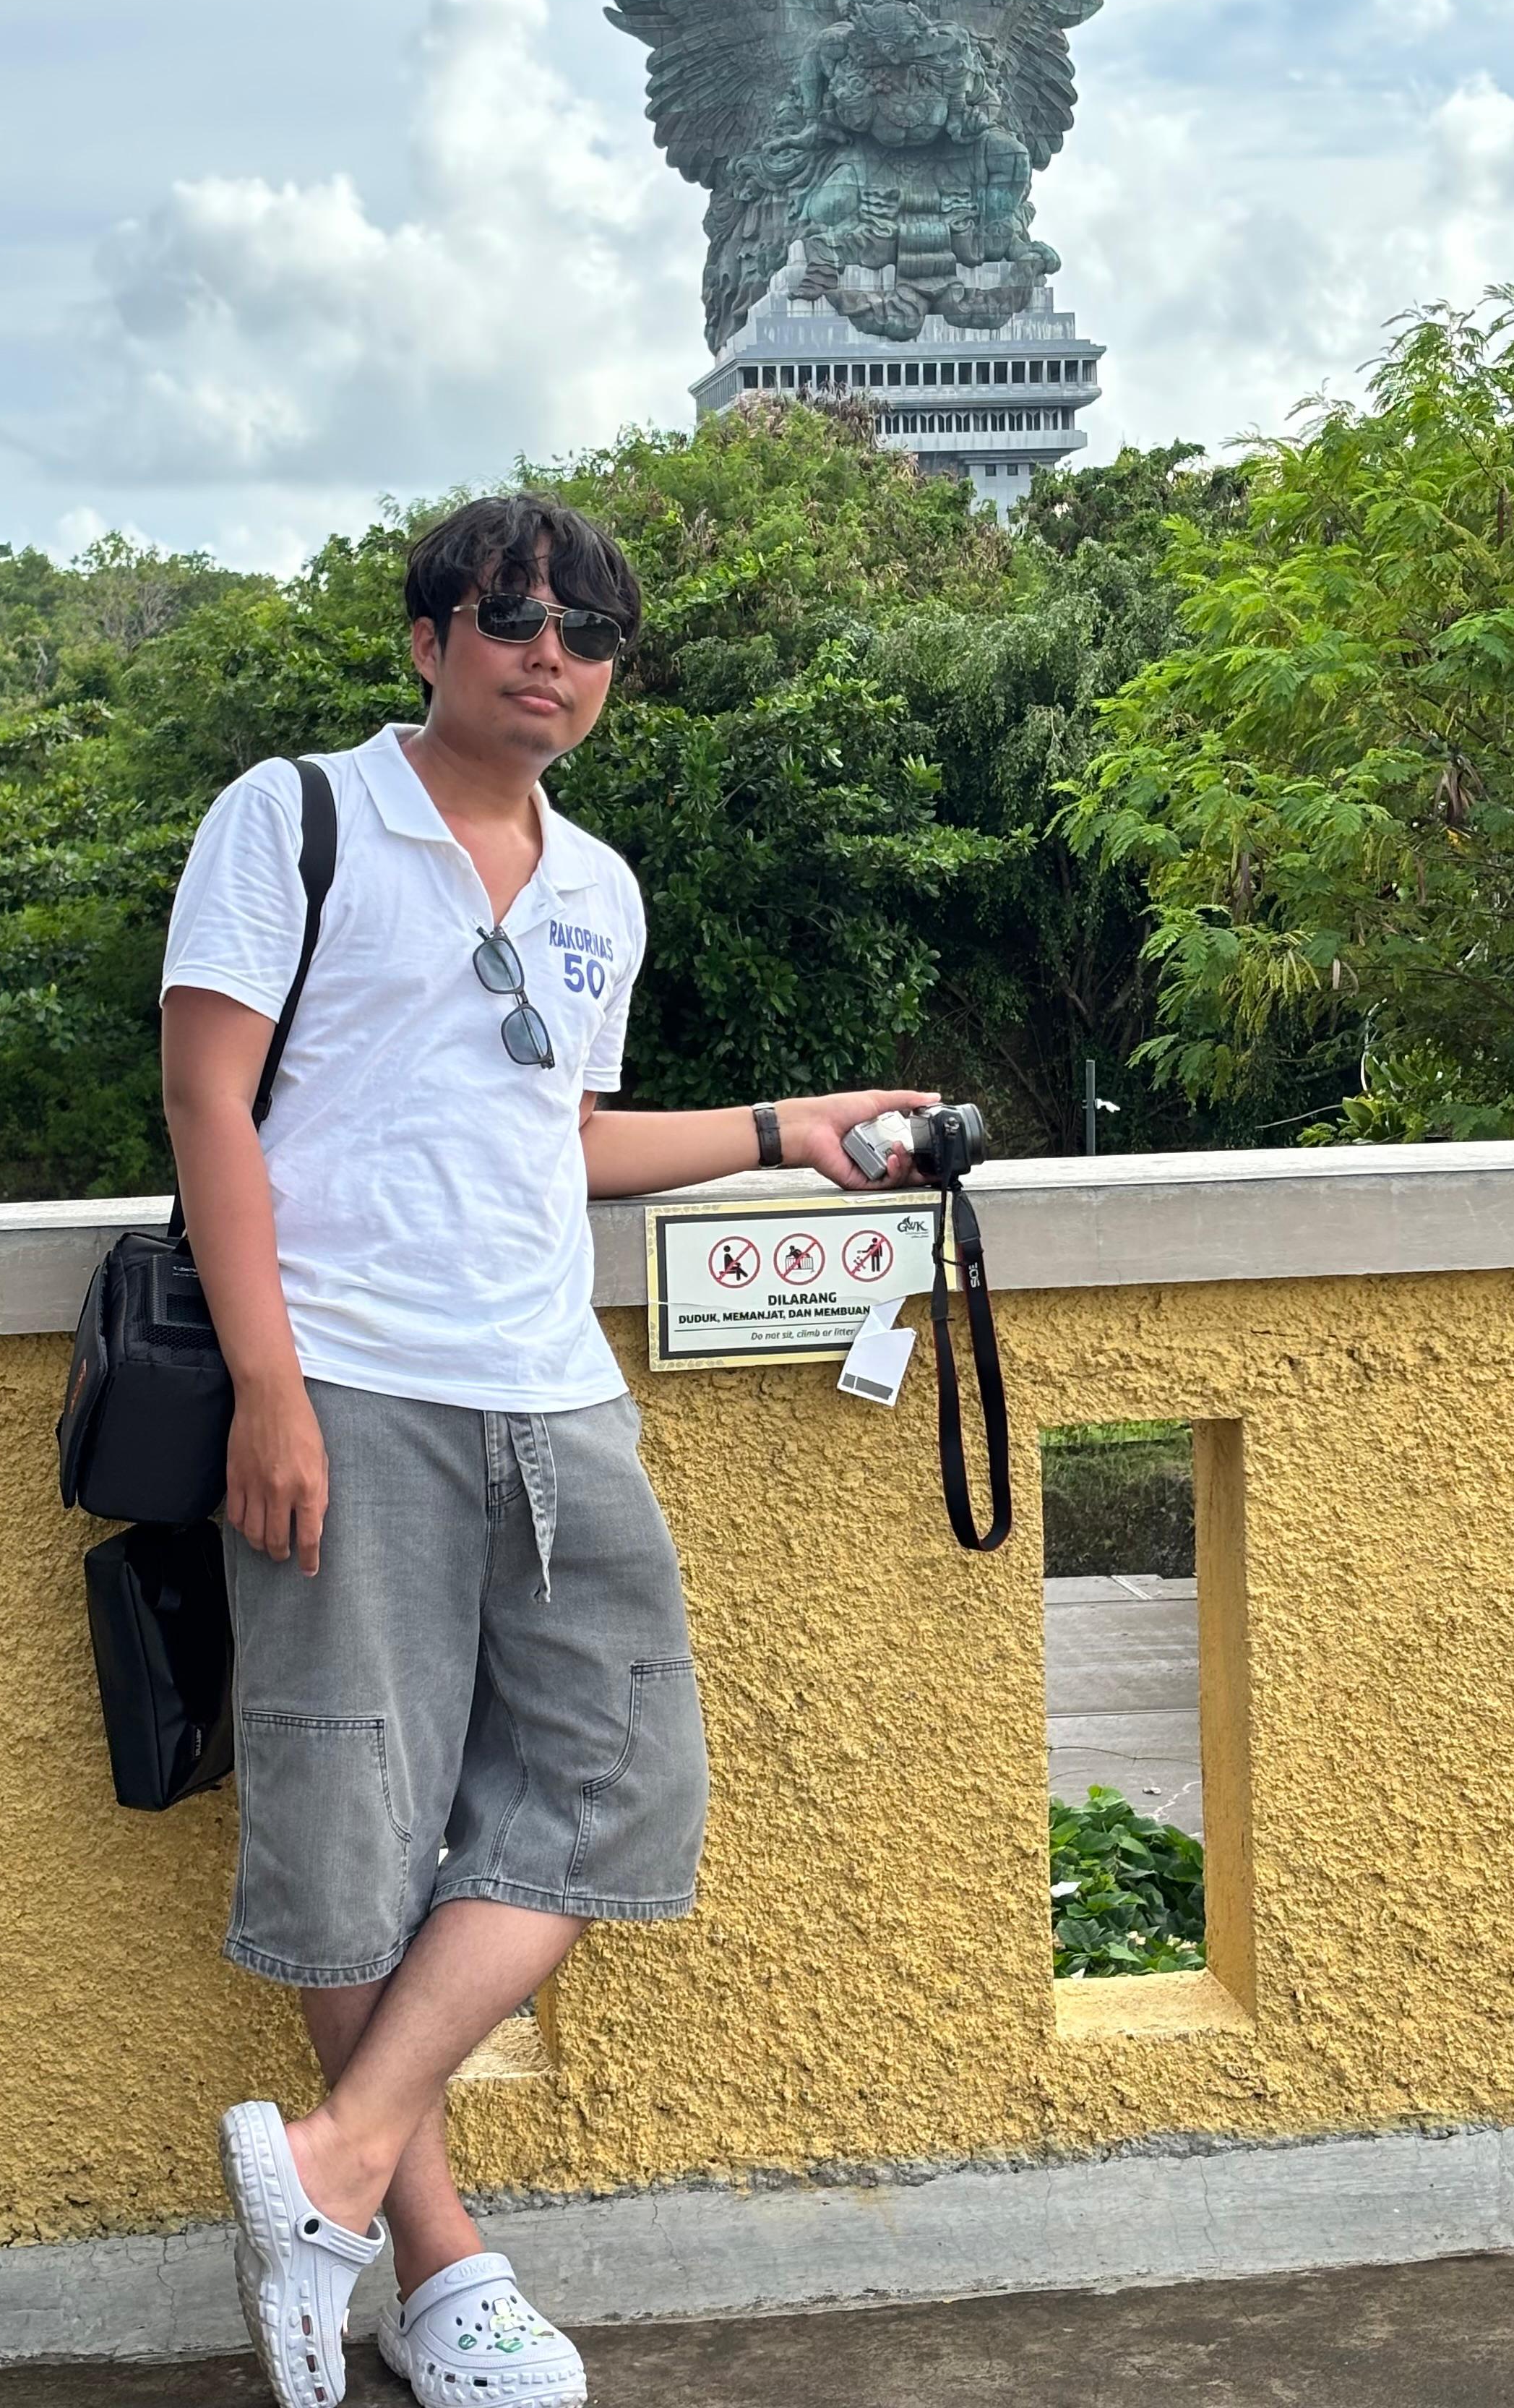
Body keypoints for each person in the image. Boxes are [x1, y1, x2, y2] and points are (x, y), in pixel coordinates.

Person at [160, 493, 935, 2408]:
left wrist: (787, 1125)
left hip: (553, 1387)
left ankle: (325, 2169)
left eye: (587, 635)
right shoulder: (298, 817)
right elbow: (207, 1101)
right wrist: (268, 1387)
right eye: (509, 618)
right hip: (346, 1374)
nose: (550, 656)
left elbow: (558, 1138)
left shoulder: (597, 890)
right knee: (360, 1816)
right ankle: (438, 2272)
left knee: (615, 1785)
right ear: (425, 638)